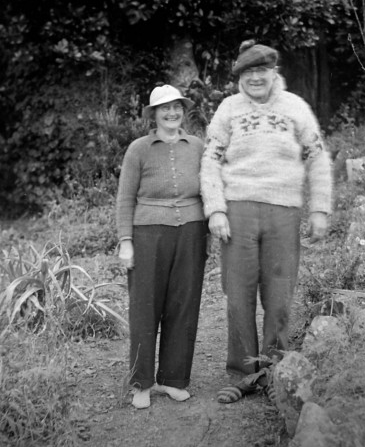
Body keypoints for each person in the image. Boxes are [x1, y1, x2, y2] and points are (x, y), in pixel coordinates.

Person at [200, 40, 332, 403]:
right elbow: (210, 161)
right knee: (238, 295)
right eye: (248, 72)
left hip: (283, 212)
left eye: (262, 71)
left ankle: (273, 371)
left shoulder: (295, 108)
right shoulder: (228, 109)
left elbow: (317, 158)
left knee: (279, 296)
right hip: (238, 211)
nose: (256, 78)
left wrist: (319, 208)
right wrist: (216, 209)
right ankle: (243, 373)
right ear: (239, 77)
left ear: (274, 73)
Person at [116, 84, 208, 409]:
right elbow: (125, 198)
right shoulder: (138, 149)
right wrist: (126, 241)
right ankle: (141, 382)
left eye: (177, 108)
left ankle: (173, 379)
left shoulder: (197, 145)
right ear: (153, 114)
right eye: (164, 109)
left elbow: (210, 187)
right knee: (144, 307)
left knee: (184, 305)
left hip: (192, 233)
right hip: (147, 235)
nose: (171, 113)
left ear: (184, 111)